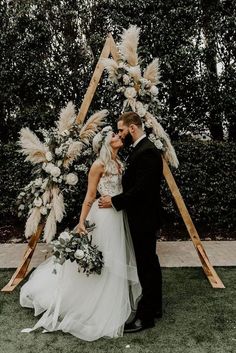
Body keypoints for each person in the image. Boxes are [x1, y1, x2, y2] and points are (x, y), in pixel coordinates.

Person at [20, 126, 141, 341]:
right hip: (103, 218)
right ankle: (92, 301)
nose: (118, 136)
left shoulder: (119, 162)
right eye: (114, 135)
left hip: (117, 215)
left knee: (115, 257)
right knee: (103, 258)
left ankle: (110, 298)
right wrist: (82, 222)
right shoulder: (98, 165)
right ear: (105, 142)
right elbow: (90, 195)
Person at [99, 112, 163, 333]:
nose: (120, 134)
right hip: (141, 216)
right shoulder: (140, 149)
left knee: (146, 265)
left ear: (132, 128)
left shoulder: (147, 152)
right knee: (149, 263)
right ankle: (155, 306)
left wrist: (114, 201)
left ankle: (145, 317)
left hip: (144, 218)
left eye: (122, 130)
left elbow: (141, 190)